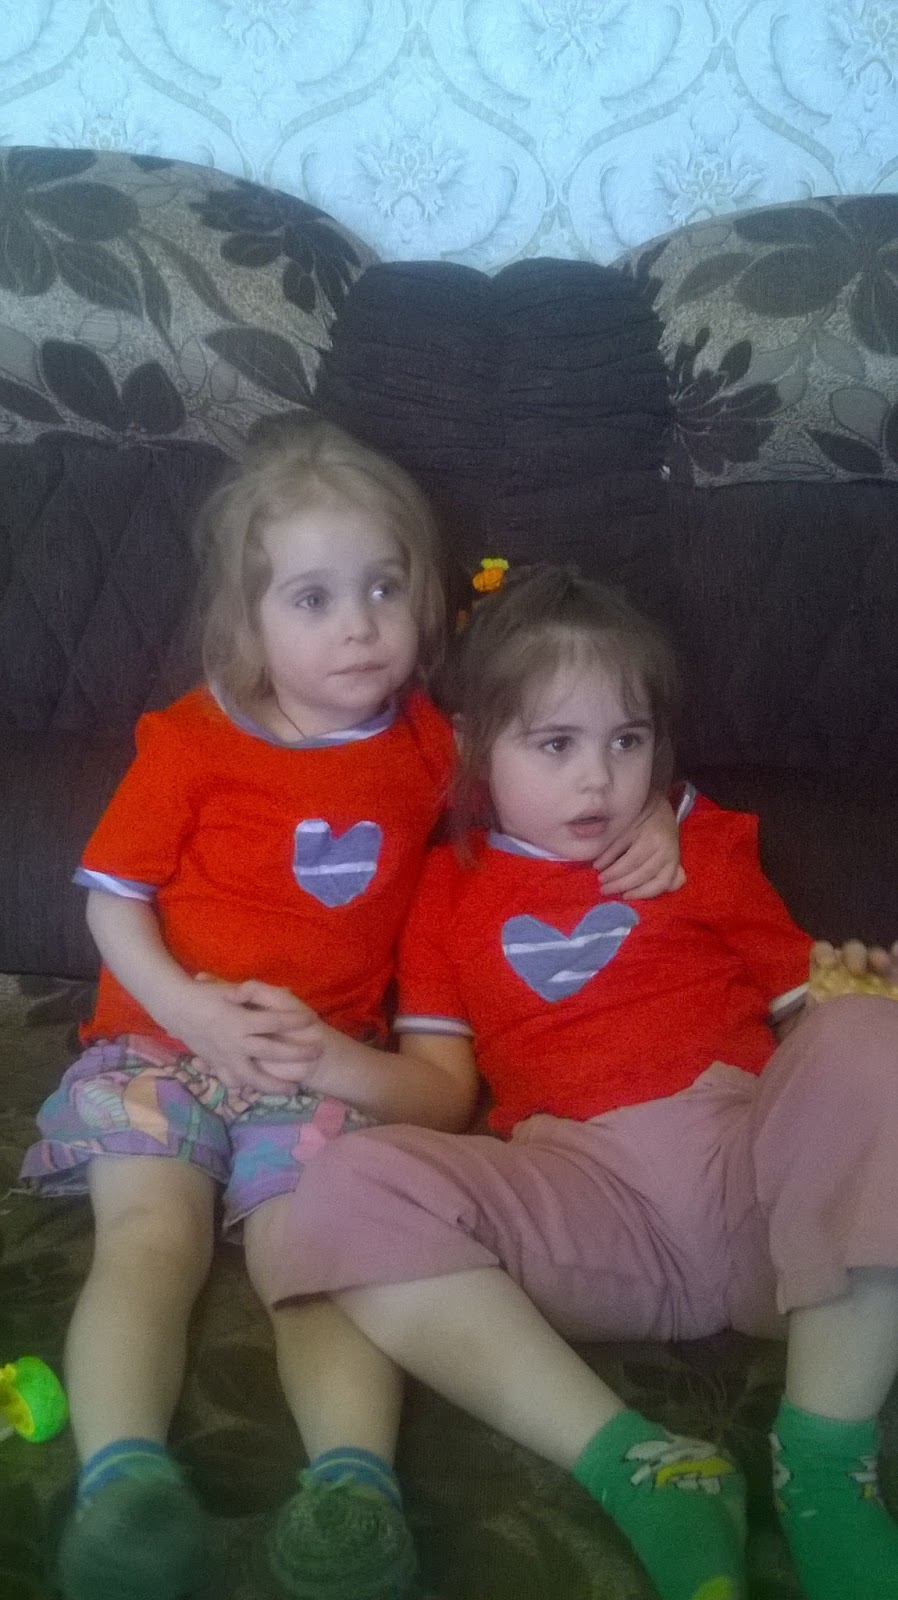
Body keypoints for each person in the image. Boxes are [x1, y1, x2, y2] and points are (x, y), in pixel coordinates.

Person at [20, 433, 682, 1600]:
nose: (359, 625)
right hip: (160, 1042)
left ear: (423, 600)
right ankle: (121, 1482)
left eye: (384, 587)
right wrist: (190, 1012)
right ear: (247, 620)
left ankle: (351, 1491)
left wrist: (663, 812)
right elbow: (110, 903)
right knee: (152, 1237)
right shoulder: (191, 742)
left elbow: (565, 758)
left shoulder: (430, 745)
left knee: (313, 1259)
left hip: (318, 1068)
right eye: (313, 597)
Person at [264, 565, 898, 1600]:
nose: (599, 781)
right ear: (475, 748)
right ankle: (640, 1467)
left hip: (763, 1206)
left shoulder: (703, 844)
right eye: (555, 745)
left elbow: (807, 1017)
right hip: (585, 1211)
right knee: (337, 1185)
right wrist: (331, 1060)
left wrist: (858, 1001)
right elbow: (441, 1092)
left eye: (627, 741)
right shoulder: (445, 891)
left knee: (872, 1036)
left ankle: (824, 1461)